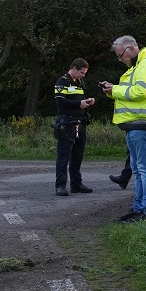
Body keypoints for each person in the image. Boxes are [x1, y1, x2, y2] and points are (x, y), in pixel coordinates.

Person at [100, 36, 146, 222]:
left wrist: (116, 90)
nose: (120, 60)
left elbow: (141, 92)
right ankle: (138, 208)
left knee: (144, 169)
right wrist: (112, 91)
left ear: (131, 49)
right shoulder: (136, 68)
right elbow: (129, 94)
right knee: (138, 169)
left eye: (120, 56)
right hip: (134, 126)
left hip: (143, 125)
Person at [54, 58, 97, 196]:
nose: (83, 75)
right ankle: (60, 185)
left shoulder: (79, 83)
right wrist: (79, 104)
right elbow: (60, 101)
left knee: (78, 155)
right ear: (74, 68)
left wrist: (88, 101)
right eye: (82, 72)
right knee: (64, 155)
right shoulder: (62, 82)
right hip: (66, 123)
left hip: (80, 122)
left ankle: (76, 184)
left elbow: (78, 99)